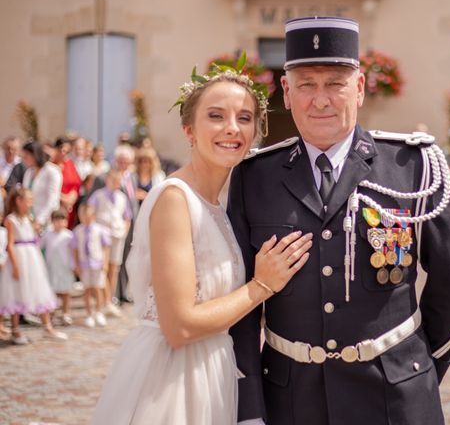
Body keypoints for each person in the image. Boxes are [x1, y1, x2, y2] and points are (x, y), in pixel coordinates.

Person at [228, 16, 450, 425]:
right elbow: (242, 304)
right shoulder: (254, 177)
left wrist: (416, 369)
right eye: (307, 84)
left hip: (396, 400)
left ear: (359, 89)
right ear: (287, 93)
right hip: (290, 402)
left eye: (335, 84)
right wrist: (250, 406)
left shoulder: (412, 166)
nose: (320, 99)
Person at [91, 61, 311, 425]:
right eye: (216, 116)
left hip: (213, 368)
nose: (232, 128)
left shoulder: (220, 203)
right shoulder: (175, 200)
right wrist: (262, 286)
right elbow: (179, 326)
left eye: (244, 117)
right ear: (189, 129)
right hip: (171, 378)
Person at [0, 188, 68, 344]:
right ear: (19, 201)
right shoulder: (11, 220)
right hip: (19, 258)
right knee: (16, 291)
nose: (31, 203)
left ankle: (47, 327)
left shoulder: (29, 218)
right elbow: (9, 245)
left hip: (32, 258)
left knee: (39, 289)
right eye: (28, 200)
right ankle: (16, 331)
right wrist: (15, 267)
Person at [88, 169, 132, 317]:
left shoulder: (122, 197)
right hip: (102, 234)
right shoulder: (98, 195)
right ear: (107, 180)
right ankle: (102, 301)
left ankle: (110, 299)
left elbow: (127, 217)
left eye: (118, 181)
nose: (116, 184)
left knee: (114, 268)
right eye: (114, 180)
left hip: (117, 235)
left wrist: (124, 231)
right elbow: (90, 211)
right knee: (103, 267)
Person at [71, 203, 111, 328]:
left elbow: (105, 247)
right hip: (84, 264)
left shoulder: (100, 230)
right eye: (84, 217)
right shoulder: (78, 231)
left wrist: (105, 262)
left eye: (89, 216)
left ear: (93, 216)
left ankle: (99, 311)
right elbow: (75, 249)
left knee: (98, 288)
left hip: (97, 263)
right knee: (87, 289)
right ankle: (89, 314)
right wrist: (76, 264)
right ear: (80, 217)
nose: (87, 219)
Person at [41, 208, 75, 325]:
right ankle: (52, 313)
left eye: (62, 220)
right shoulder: (47, 234)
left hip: (65, 266)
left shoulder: (69, 235)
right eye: (56, 220)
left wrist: (74, 265)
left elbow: (74, 251)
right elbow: (40, 245)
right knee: (52, 291)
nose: (59, 223)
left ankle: (66, 313)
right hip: (52, 267)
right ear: (52, 221)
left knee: (66, 291)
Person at [21, 141, 62, 233]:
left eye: (26, 156)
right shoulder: (28, 173)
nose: (24, 159)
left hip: (47, 221)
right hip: (30, 220)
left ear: (34, 155)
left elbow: (52, 200)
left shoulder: (52, 171)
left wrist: (39, 221)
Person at [51, 136, 82, 227]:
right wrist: (64, 199)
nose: (64, 154)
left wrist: (70, 200)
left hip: (70, 210)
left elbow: (76, 185)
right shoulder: (50, 166)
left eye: (67, 152)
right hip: (56, 208)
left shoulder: (70, 164)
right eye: (62, 150)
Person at [0, 136, 21, 216]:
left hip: (14, 200)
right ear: (4, 148)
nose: (11, 151)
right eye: (8, 148)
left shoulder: (21, 165)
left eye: (14, 149)